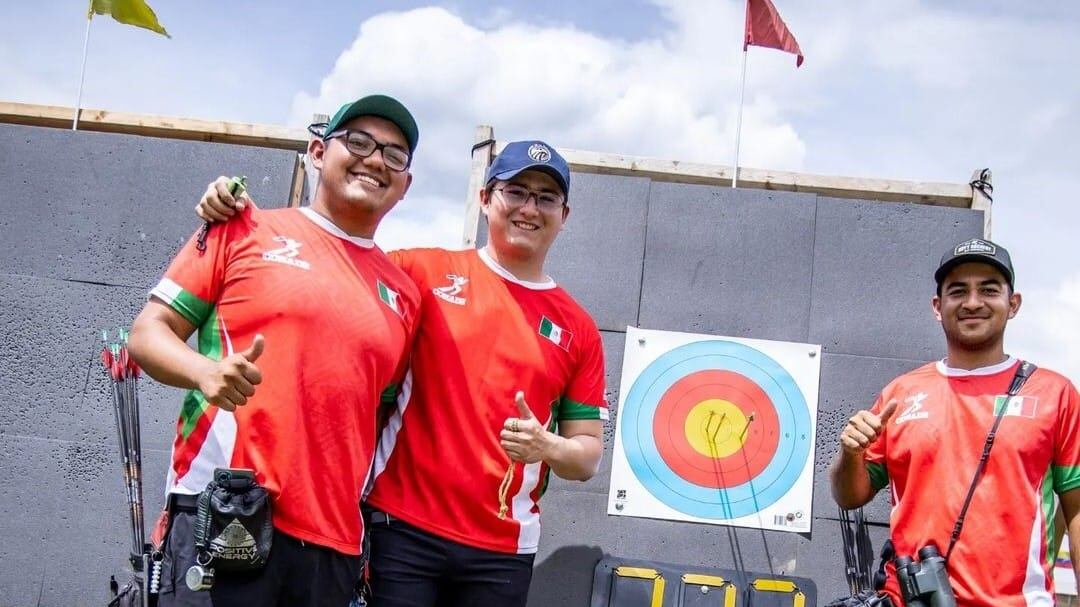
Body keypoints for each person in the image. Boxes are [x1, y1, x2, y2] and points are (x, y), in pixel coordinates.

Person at [196, 140, 607, 606]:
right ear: (486, 198)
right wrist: (239, 214)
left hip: (503, 550)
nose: (529, 208)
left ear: (564, 214)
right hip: (400, 527)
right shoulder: (418, 271)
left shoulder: (579, 330)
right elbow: (328, 260)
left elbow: (587, 456)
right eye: (516, 191)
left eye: (545, 197)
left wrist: (547, 446)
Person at [128, 94, 422, 607]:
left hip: (333, 544)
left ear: (406, 184)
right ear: (316, 150)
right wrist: (204, 372)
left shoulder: (405, 294)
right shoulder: (242, 227)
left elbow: (378, 412)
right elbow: (147, 333)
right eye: (358, 141)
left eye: (394, 155)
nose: (376, 159)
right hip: (223, 515)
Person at [829, 238, 1080, 606]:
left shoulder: (1055, 393)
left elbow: (1075, 509)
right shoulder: (901, 392)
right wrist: (850, 454)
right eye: (958, 291)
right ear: (937, 306)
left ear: (1013, 304)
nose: (973, 302)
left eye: (989, 290)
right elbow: (849, 496)